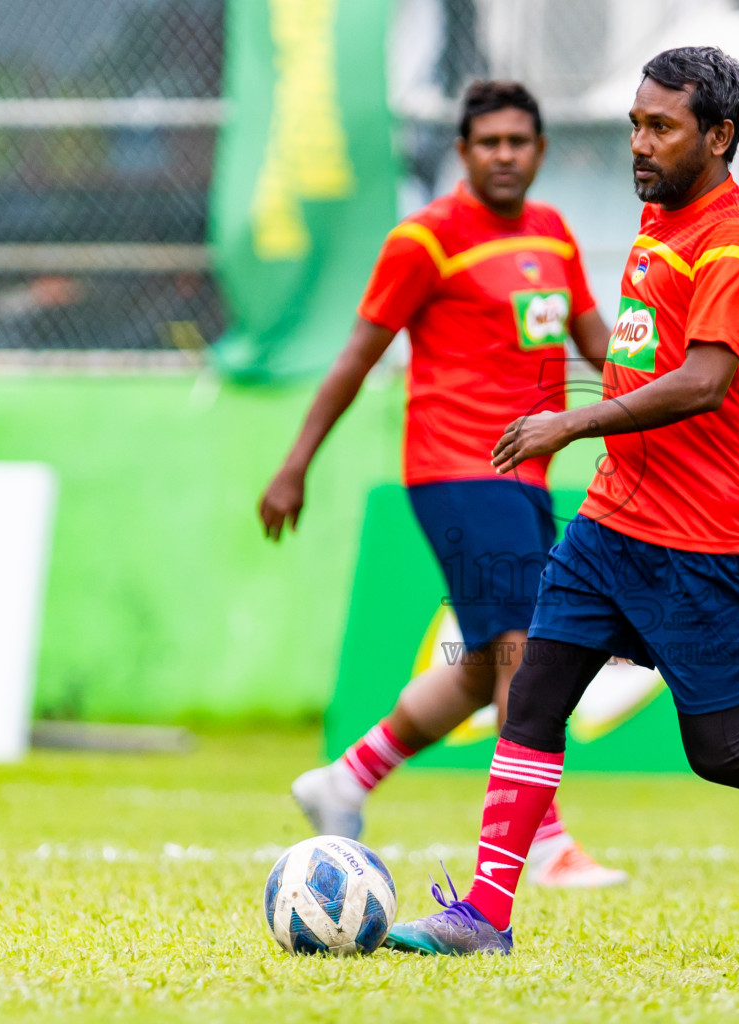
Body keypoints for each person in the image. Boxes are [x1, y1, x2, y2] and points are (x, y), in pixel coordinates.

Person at [385, 47, 739, 958]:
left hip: (704, 538)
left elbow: (704, 381)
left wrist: (572, 424)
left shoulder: (737, 242)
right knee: (533, 694)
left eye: (661, 127)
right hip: (611, 524)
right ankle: (483, 918)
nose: (640, 142)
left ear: (721, 135)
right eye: (635, 122)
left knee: (722, 750)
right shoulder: (659, 217)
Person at [259, 80, 628, 890]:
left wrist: (657, 401)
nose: (504, 155)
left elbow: (595, 342)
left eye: (518, 142)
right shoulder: (425, 240)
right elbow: (357, 358)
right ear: (462, 153)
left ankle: (345, 781)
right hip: (460, 468)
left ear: (540, 151)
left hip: (530, 472)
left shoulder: (554, 234)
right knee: (523, 648)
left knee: (479, 665)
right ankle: (543, 839)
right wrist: (296, 464)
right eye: (488, 142)